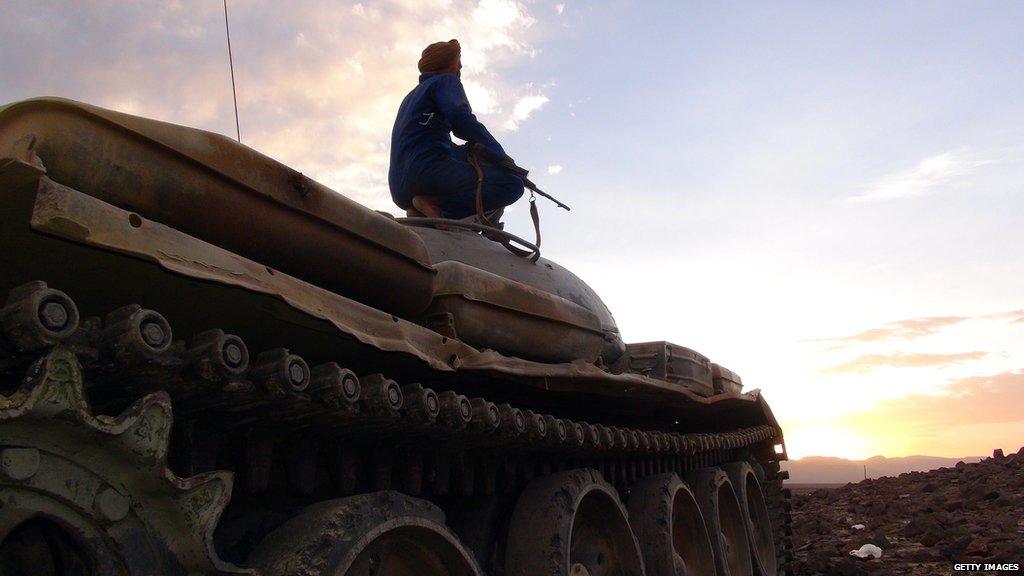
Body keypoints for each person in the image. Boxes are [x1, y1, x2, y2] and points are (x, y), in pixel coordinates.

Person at [388, 39, 524, 220]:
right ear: (450, 64)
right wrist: (500, 156)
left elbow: (428, 141)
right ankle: (436, 205)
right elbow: (461, 118)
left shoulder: (410, 97)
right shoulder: (445, 81)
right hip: (426, 176)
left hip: (399, 189)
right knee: (512, 185)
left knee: (461, 159)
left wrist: (470, 152)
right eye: (458, 63)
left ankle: (422, 209)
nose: (460, 68)